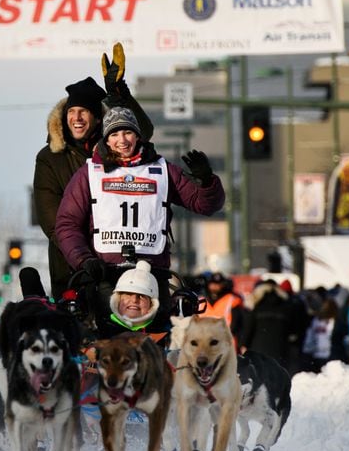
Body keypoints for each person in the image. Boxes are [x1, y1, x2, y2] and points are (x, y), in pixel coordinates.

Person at [54, 106, 225, 333]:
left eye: (127, 133)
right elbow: (67, 224)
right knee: (111, 338)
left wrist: (207, 181)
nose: (121, 140)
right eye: (114, 134)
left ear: (137, 135)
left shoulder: (162, 170)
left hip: (153, 273)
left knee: (159, 338)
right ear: (106, 138)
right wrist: (84, 260)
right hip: (106, 274)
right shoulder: (90, 173)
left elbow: (205, 204)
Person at [33, 45, 154, 300]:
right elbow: (54, 223)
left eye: (83, 112)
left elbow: (141, 131)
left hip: (122, 265)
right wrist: (84, 257)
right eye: (71, 112)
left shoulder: (116, 150)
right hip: (73, 269)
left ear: (97, 118)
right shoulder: (49, 159)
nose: (76, 118)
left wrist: (119, 95)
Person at [242, 279, 309, 375]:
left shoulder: (256, 306)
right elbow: (294, 330)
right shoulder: (287, 305)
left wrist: (243, 344)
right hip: (280, 350)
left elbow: (248, 328)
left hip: (258, 349)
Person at [201, 272, 245, 347]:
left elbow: (237, 325)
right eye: (213, 284)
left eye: (218, 284)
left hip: (226, 345)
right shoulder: (201, 301)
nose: (215, 286)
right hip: (203, 346)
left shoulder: (232, 300)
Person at [302, 296, 338, 373]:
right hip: (319, 355)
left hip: (325, 355)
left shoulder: (331, 321)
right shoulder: (316, 320)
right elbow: (310, 336)